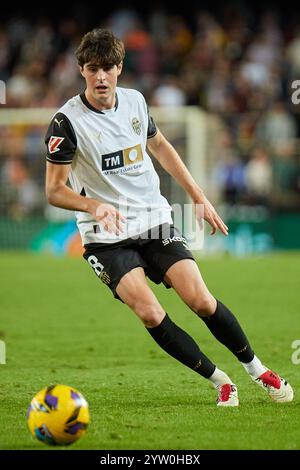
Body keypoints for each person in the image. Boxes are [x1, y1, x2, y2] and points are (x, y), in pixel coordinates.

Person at [45, 28, 293, 406]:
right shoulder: (66, 123)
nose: (101, 77)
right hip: (105, 234)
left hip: (152, 218)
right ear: (81, 69)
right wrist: (93, 205)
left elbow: (160, 146)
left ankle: (257, 369)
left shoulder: (136, 103)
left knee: (201, 301)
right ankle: (220, 380)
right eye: (93, 68)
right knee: (149, 312)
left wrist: (198, 197)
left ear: (120, 68)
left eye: (108, 68)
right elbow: (54, 190)